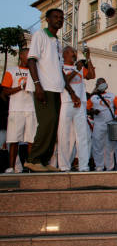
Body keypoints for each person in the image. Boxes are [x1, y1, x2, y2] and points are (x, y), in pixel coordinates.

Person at [24, 9, 81, 172]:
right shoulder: (40, 35)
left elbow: (60, 70)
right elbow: (31, 61)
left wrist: (71, 92)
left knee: (54, 124)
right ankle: (33, 159)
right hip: (44, 87)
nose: (59, 20)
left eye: (61, 18)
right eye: (55, 17)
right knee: (47, 122)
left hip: (56, 89)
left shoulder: (56, 42)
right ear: (47, 19)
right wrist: (37, 85)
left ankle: (43, 160)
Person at [57, 46, 95, 172]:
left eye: (74, 52)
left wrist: (88, 58)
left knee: (82, 135)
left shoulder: (79, 67)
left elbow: (91, 75)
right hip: (67, 102)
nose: (74, 54)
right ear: (64, 54)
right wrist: (76, 70)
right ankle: (64, 165)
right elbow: (64, 81)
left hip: (81, 103)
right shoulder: (60, 67)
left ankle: (84, 166)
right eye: (71, 52)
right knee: (64, 134)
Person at [1, 48, 36, 173]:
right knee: (14, 139)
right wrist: (21, 87)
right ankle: (11, 167)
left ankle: (31, 165)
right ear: (21, 56)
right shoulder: (11, 70)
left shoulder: (35, 72)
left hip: (31, 109)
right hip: (16, 109)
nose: (30, 58)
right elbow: (5, 91)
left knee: (31, 139)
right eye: (27, 55)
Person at [87, 78, 117, 171]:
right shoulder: (93, 97)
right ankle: (99, 166)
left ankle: (109, 167)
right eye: (100, 83)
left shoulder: (112, 95)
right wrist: (93, 111)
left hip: (110, 124)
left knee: (110, 147)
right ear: (96, 85)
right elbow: (87, 109)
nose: (102, 84)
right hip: (98, 125)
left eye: (103, 82)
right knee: (97, 146)